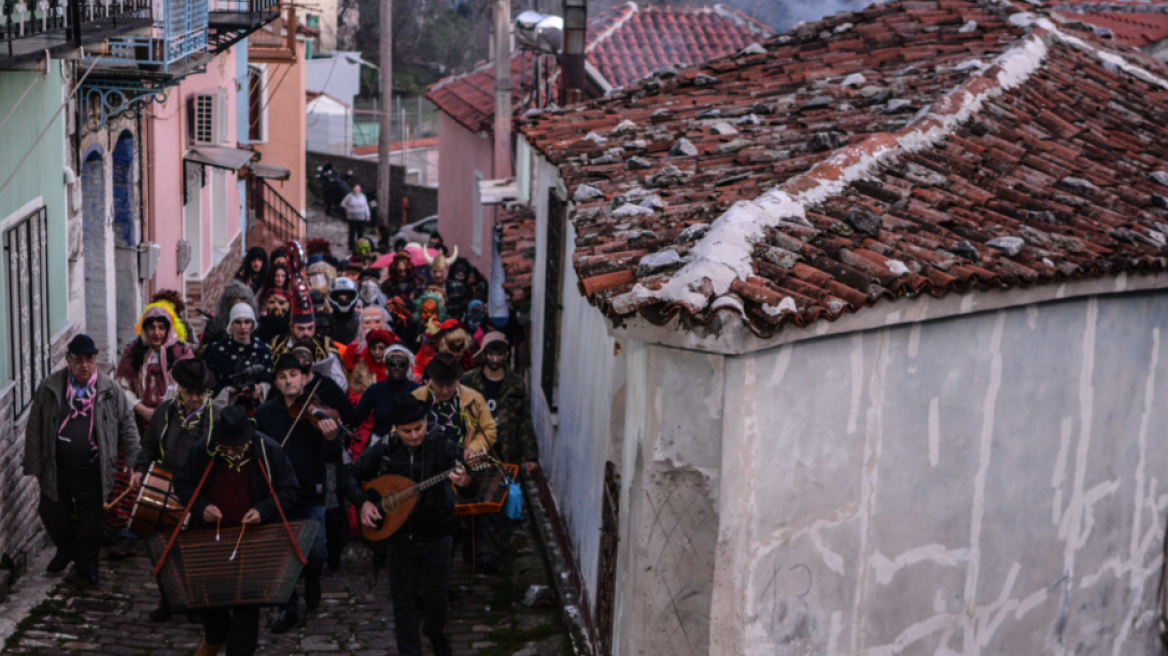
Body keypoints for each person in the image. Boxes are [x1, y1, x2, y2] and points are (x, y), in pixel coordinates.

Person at [342, 394, 477, 656]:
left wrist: (466, 482)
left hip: (437, 536)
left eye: (419, 428)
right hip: (400, 537)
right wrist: (363, 503)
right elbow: (349, 474)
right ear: (396, 428)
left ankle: (435, 634)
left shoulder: (444, 447)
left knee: (437, 597)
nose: (414, 435)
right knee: (403, 601)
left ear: (426, 420)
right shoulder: (386, 447)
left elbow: (472, 487)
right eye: (407, 431)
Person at [175, 405, 300, 656]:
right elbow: (182, 484)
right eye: (227, 447)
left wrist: (263, 510)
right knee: (210, 601)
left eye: (237, 447)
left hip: (252, 541)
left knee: (246, 607)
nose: (232, 452)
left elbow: (290, 490)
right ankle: (216, 638)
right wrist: (201, 506)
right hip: (210, 539)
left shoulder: (268, 449)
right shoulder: (202, 449)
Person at [22, 334, 140, 586]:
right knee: (52, 512)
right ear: (69, 360)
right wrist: (34, 464)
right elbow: (35, 426)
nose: (84, 365)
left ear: (95, 360)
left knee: (91, 522)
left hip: (94, 467)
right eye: (78, 360)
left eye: (89, 359)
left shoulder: (109, 389)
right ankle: (66, 549)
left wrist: (132, 459)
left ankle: (87, 566)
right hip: (57, 466)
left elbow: (127, 424)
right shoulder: (50, 387)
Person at [253, 355, 342, 633]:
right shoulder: (264, 414)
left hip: (311, 491)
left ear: (304, 378)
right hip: (277, 495)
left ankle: (312, 578)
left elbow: (330, 458)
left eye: (294, 374)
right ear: (276, 382)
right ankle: (288, 607)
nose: (288, 381)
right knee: (283, 554)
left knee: (316, 552)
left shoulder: (317, 412)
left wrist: (331, 439)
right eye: (282, 376)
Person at [134, 358, 222, 621]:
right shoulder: (164, 411)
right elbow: (149, 445)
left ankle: (195, 603)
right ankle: (169, 600)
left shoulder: (219, 416)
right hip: (165, 487)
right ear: (179, 388)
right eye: (189, 392)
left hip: (202, 491)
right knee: (163, 547)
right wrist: (140, 469)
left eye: (200, 393)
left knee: (196, 550)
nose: (195, 398)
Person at [113, 301, 194, 557]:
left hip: (174, 422)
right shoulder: (133, 351)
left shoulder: (182, 351)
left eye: (161, 327)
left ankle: (167, 528)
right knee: (132, 469)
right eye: (151, 327)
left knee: (170, 473)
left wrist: (163, 413)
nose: (157, 332)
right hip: (138, 420)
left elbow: (190, 386)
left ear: (170, 328)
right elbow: (122, 385)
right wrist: (142, 409)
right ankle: (128, 530)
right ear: (144, 329)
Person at [459, 333, 539, 571]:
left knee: (495, 503)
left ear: (506, 355)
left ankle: (488, 555)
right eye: (491, 354)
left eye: (499, 354)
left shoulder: (515, 384)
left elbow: (524, 421)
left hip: (504, 451)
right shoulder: (469, 381)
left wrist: (530, 456)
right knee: (471, 500)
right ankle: (470, 547)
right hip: (474, 450)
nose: (495, 358)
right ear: (484, 354)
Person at [411, 353, 495, 460]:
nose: (445, 391)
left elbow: (489, 429)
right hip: (423, 463)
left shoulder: (474, 398)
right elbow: (397, 432)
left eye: (449, 385)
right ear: (432, 380)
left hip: (460, 464)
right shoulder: (416, 398)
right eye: (440, 386)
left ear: (456, 380)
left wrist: (474, 448)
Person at [352, 344, 418, 455]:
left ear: (408, 366)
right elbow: (355, 419)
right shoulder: (374, 390)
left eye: (401, 364)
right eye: (392, 363)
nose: (397, 367)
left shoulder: (418, 391)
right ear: (386, 365)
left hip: (410, 447)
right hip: (379, 446)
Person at [205, 302, 274, 408]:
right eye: (238, 322)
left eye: (247, 322)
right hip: (226, 409)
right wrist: (230, 391)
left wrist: (260, 388)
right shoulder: (218, 350)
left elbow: (271, 379)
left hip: (258, 409)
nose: (243, 327)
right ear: (232, 324)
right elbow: (210, 383)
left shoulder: (264, 349)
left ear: (252, 324)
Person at [344, 328, 395, 406]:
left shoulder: (398, 366)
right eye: (373, 348)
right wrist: (371, 400)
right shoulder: (361, 369)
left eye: (381, 348)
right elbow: (353, 396)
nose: (377, 352)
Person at [203, 282, 260, 347]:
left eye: (242, 299)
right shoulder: (215, 324)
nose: (238, 302)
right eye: (234, 298)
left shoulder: (255, 322)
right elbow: (205, 347)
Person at [328, 277, 361, 345]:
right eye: (340, 298)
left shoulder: (361, 321)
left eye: (347, 298)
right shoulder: (326, 320)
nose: (344, 300)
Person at [341, 185, 371, 252]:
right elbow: (343, 204)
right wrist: (348, 209)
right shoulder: (349, 196)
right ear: (353, 189)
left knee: (360, 233)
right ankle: (350, 247)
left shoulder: (363, 196)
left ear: (360, 190)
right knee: (352, 233)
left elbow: (366, 206)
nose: (356, 190)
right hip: (351, 218)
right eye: (355, 189)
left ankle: (360, 246)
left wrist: (368, 215)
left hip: (361, 218)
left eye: (357, 189)